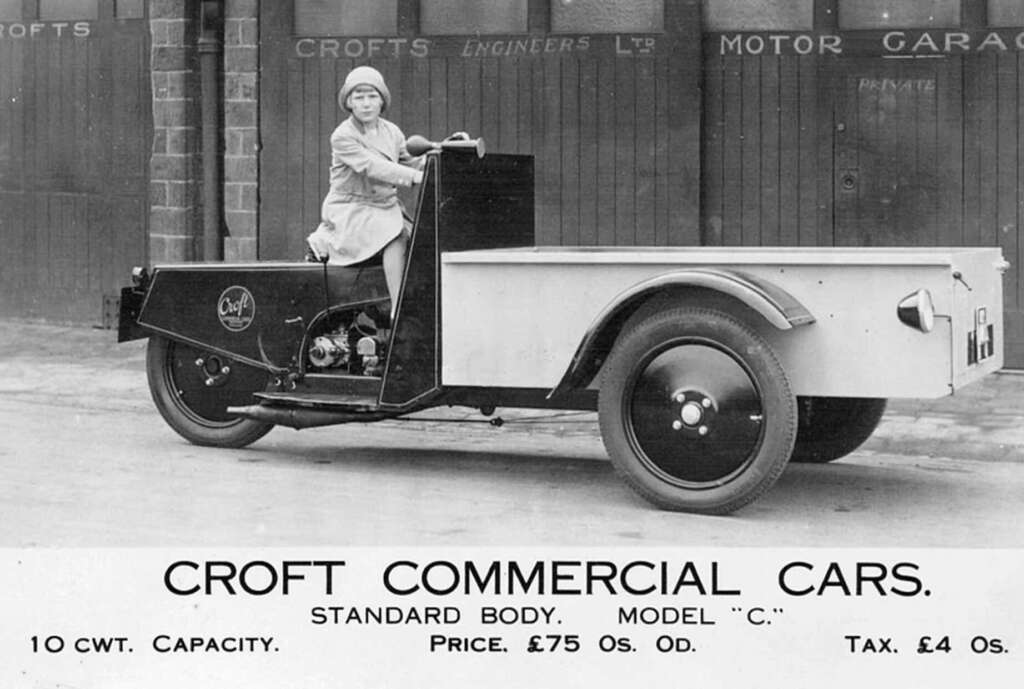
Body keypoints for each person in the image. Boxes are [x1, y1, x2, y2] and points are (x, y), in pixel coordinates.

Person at [306, 65, 424, 322]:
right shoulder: (343, 136)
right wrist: (414, 178)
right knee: (396, 237)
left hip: (385, 206)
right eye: (358, 97)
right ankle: (399, 308)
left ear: (382, 100)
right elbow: (372, 166)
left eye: (372, 96)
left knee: (422, 242)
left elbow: (410, 161)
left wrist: (443, 151)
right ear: (349, 103)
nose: (366, 104)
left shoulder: (391, 132)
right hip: (353, 209)